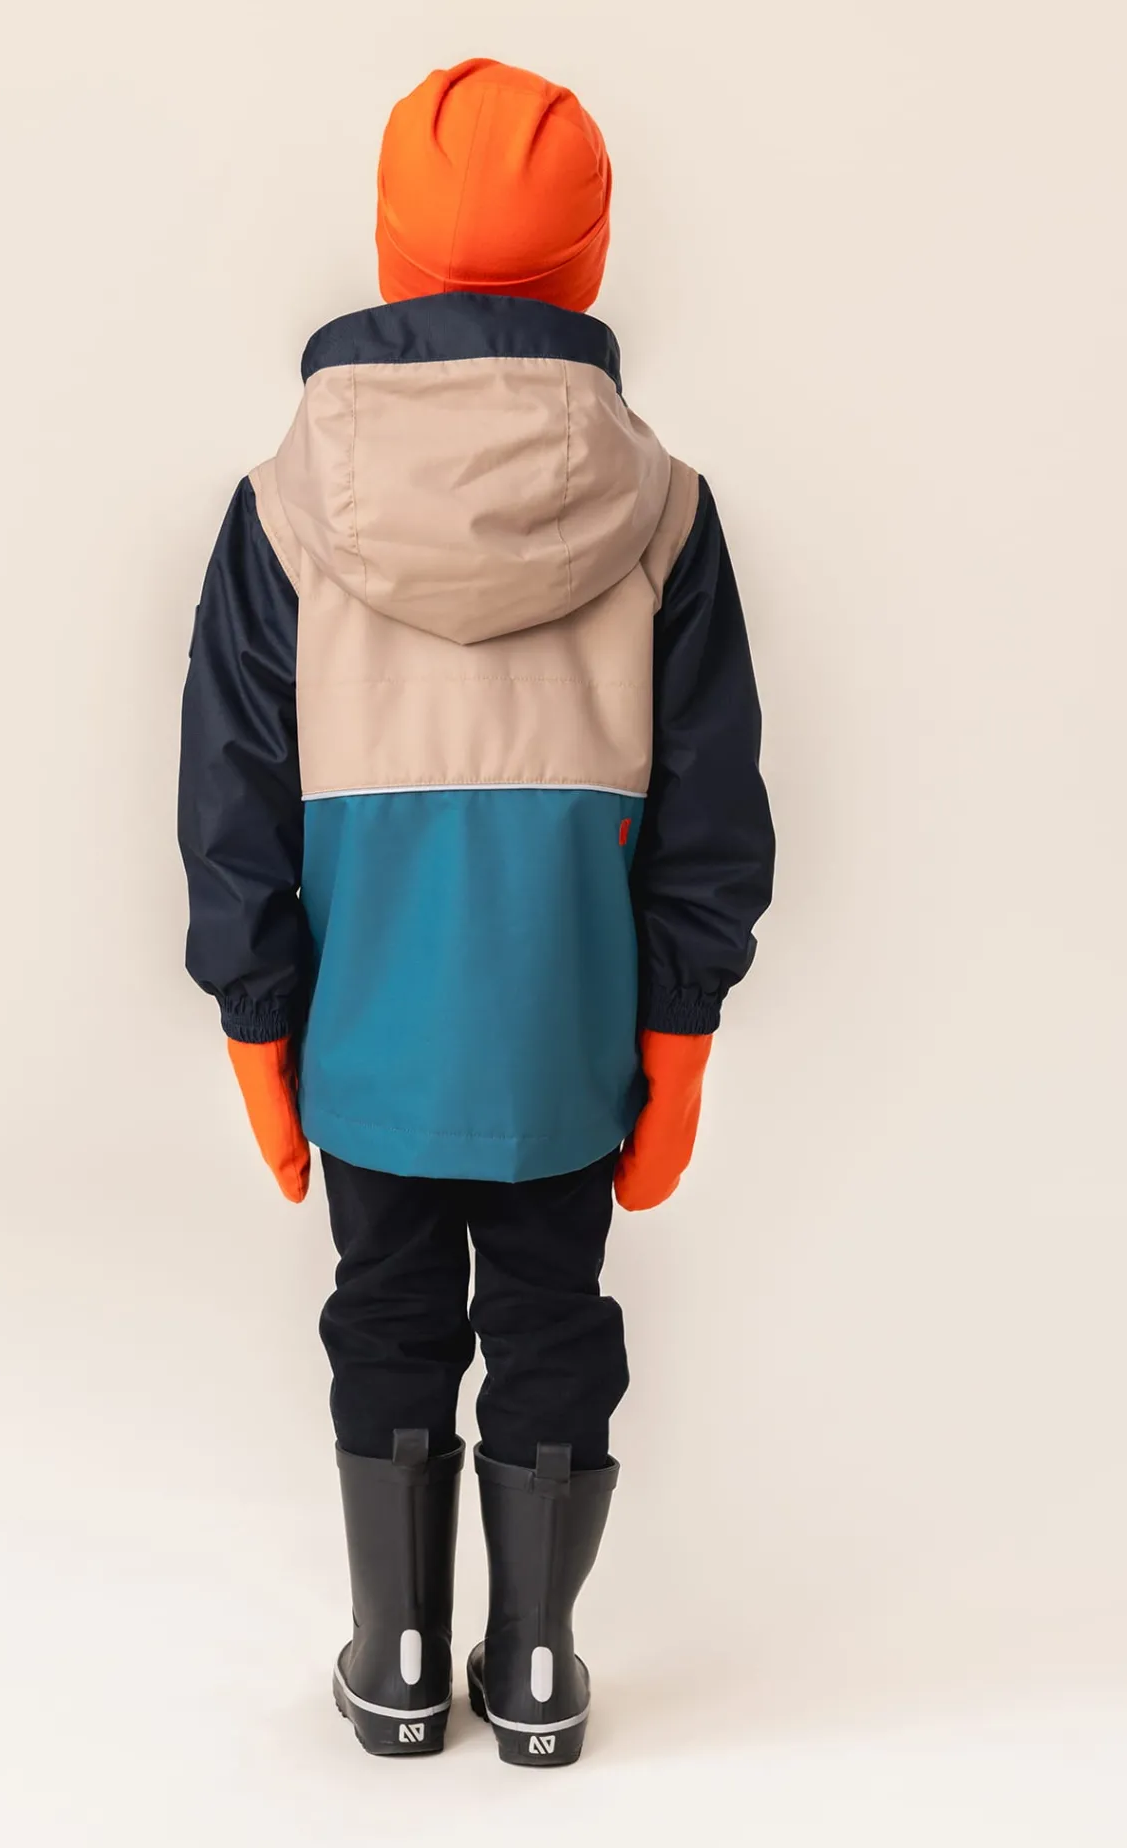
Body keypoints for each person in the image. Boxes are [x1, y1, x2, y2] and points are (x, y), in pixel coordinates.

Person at [178, 57, 775, 1767]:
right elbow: (710, 811)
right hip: (566, 1033)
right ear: (587, 260)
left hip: (364, 1025)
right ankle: (536, 1668)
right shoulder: (667, 515)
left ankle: (393, 1658)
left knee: (384, 1311)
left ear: (391, 253)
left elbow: (232, 797)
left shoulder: (281, 511)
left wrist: (257, 1022)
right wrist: (678, 1036)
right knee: (551, 1313)